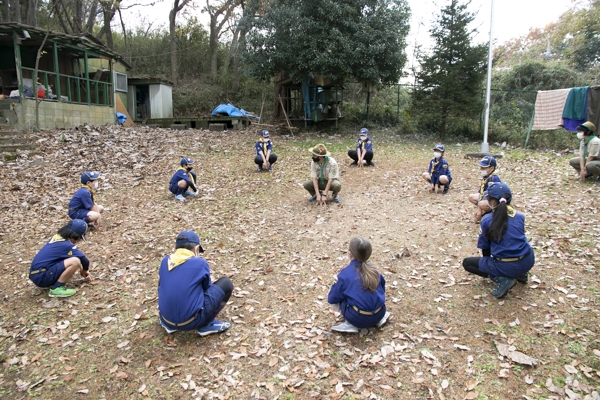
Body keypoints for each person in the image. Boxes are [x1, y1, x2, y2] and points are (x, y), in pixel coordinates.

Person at [462, 182, 534, 299]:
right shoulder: (520, 216)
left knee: (467, 263)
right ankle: (521, 274)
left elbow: (485, 247)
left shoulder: (487, 221)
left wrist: (488, 262)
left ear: (492, 202)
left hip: (507, 266)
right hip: (528, 260)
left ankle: (503, 279)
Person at [158, 230, 233, 336]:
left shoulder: (164, 261)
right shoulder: (200, 263)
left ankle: (169, 325)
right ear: (196, 249)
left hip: (166, 319)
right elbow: (206, 288)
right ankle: (206, 324)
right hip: (191, 321)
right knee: (226, 283)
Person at [328, 237, 390, 333]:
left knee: (339, 292)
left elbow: (332, 299)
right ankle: (378, 319)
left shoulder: (344, 275)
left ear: (349, 253)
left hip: (357, 319)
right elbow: (382, 289)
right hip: (380, 313)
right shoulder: (375, 271)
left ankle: (350, 324)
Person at [29, 219, 91, 298]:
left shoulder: (57, 238)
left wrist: (82, 269)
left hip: (37, 274)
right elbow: (84, 260)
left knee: (74, 260)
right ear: (74, 235)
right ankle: (57, 288)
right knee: (75, 261)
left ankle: (53, 281)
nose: (79, 240)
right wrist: (84, 271)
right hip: (42, 276)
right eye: (79, 238)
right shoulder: (66, 245)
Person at [468, 156, 501, 221]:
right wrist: (479, 208)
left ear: (491, 168)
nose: (481, 169)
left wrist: (480, 207)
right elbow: (481, 192)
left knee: (481, 204)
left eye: (483, 168)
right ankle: (484, 211)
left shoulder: (494, 179)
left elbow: (492, 195)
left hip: (494, 200)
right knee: (471, 197)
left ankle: (491, 213)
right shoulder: (486, 177)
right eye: (481, 167)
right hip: (486, 197)